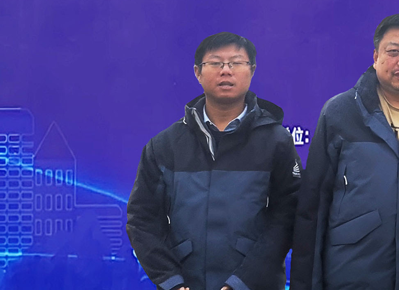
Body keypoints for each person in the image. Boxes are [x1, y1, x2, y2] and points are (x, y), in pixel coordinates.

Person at [126, 32, 301, 290]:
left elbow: (287, 217)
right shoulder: (165, 145)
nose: (226, 70)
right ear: (197, 72)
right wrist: (172, 282)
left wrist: (241, 283)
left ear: (252, 70)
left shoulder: (277, 142)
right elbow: (142, 220)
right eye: (216, 63)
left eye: (236, 62)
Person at [291, 14, 399, 290]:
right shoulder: (340, 113)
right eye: (393, 51)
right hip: (350, 276)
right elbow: (313, 210)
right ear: (376, 56)